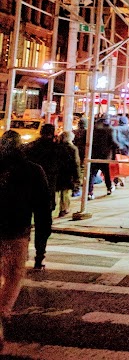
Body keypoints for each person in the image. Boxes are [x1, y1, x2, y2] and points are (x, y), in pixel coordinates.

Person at [0, 130, 52, 350]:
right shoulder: (32, 171)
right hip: (17, 231)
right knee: (13, 275)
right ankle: (3, 310)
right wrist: (40, 250)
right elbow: (43, 211)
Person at [23, 123, 62, 213]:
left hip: (35, 175)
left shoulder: (33, 146)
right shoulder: (56, 147)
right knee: (47, 198)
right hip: (50, 175)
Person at [88, 116, 116, 200]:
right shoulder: (109, 130)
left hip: (93, 156)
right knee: (106, 174)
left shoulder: (92, 131)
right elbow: (113, 143)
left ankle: (90, 192)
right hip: (104, 156)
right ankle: (109, 188)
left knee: (92, 175)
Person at [56, 131, 81, 217]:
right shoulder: (73, 149)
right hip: (67, 173)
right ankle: (64, 209)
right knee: (65, 192)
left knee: (56, 191)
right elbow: (76, 164)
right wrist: (77, 178)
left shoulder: (57, 147)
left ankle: (54, 208)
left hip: (57, 172)